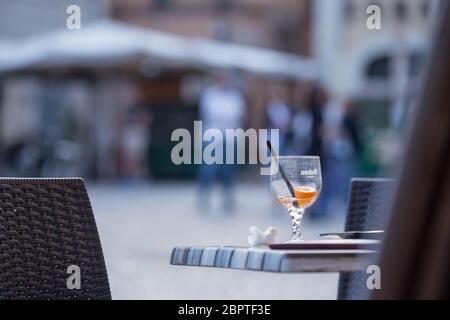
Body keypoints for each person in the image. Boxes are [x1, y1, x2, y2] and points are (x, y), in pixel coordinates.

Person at [198, 73, 246, 213]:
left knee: (229, 169)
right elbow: (211, 113)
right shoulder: (210, 94)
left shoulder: (235, 96)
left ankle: (228, 198)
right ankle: (204, 195)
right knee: (208, 168)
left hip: (230, 137)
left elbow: (237, 114)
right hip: (213, 137)